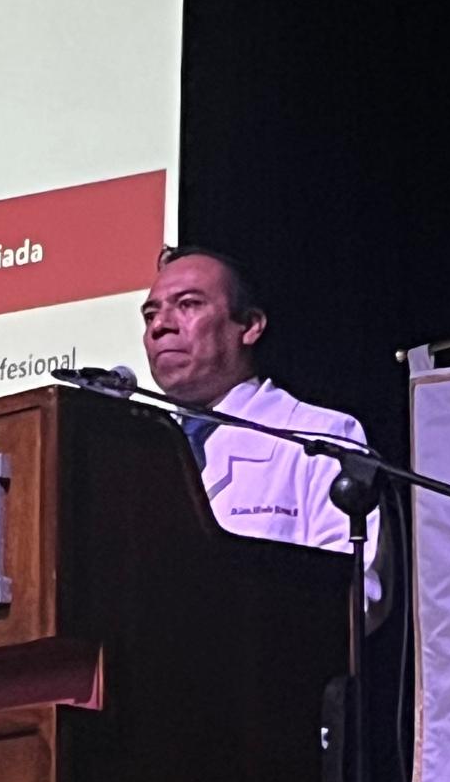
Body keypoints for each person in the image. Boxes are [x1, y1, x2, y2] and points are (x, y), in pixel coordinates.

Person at [140, 246, 382, 607]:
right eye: (150, 314)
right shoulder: (138, 452)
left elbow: (356, 595)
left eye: (188, 304)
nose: (160, 326)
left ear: (250, 326)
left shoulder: (321, 435)